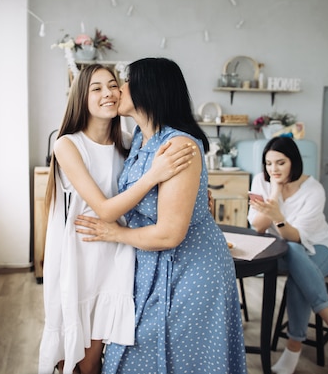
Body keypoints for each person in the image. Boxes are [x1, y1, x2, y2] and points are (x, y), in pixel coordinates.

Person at [75, 58, 247, 374]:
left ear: (148, 89)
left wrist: (114, 233)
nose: (118, 89)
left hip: (191, 268)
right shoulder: (140, 138)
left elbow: (169, 234)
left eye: (124, 82)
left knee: (183, 359)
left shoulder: (178, 144)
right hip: (150, 263)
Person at [38, 64, 196, 374]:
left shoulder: (129, 141)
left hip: (116, 254)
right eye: (96, 88)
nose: (108, 93)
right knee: (71, 351)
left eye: (113, 85)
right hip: (79, 253)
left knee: (97, 354)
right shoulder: (67, 143)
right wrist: (155, 175)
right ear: (80, 97)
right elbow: (106, 209)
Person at [247, 136, 328, 374]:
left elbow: (296, 237)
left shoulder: (314, 189)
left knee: (297, 265)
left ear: (293, 162)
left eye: (280, 163)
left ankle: (293, 348)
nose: (273, 169)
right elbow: (257, 226)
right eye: (268, 163)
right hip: (283, 250)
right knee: (295, 256)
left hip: (319, 248)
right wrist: (275, 191)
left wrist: (277, 216)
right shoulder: (262, 181)